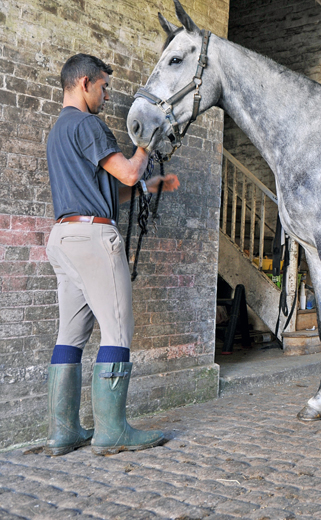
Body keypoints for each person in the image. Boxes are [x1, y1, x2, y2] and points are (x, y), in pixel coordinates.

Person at [44, 53, 180, 456]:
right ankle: (112, 431)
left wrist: (150, 186)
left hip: (64, 238)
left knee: (70, 336)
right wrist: (144, 144)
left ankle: (64, 431)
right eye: (104, 86)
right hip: (93, 239)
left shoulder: (59, 131)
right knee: (118, 329)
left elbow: (114, 188)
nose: (106, 95)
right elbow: (129, 172)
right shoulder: (88, 124)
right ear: (85, 83)